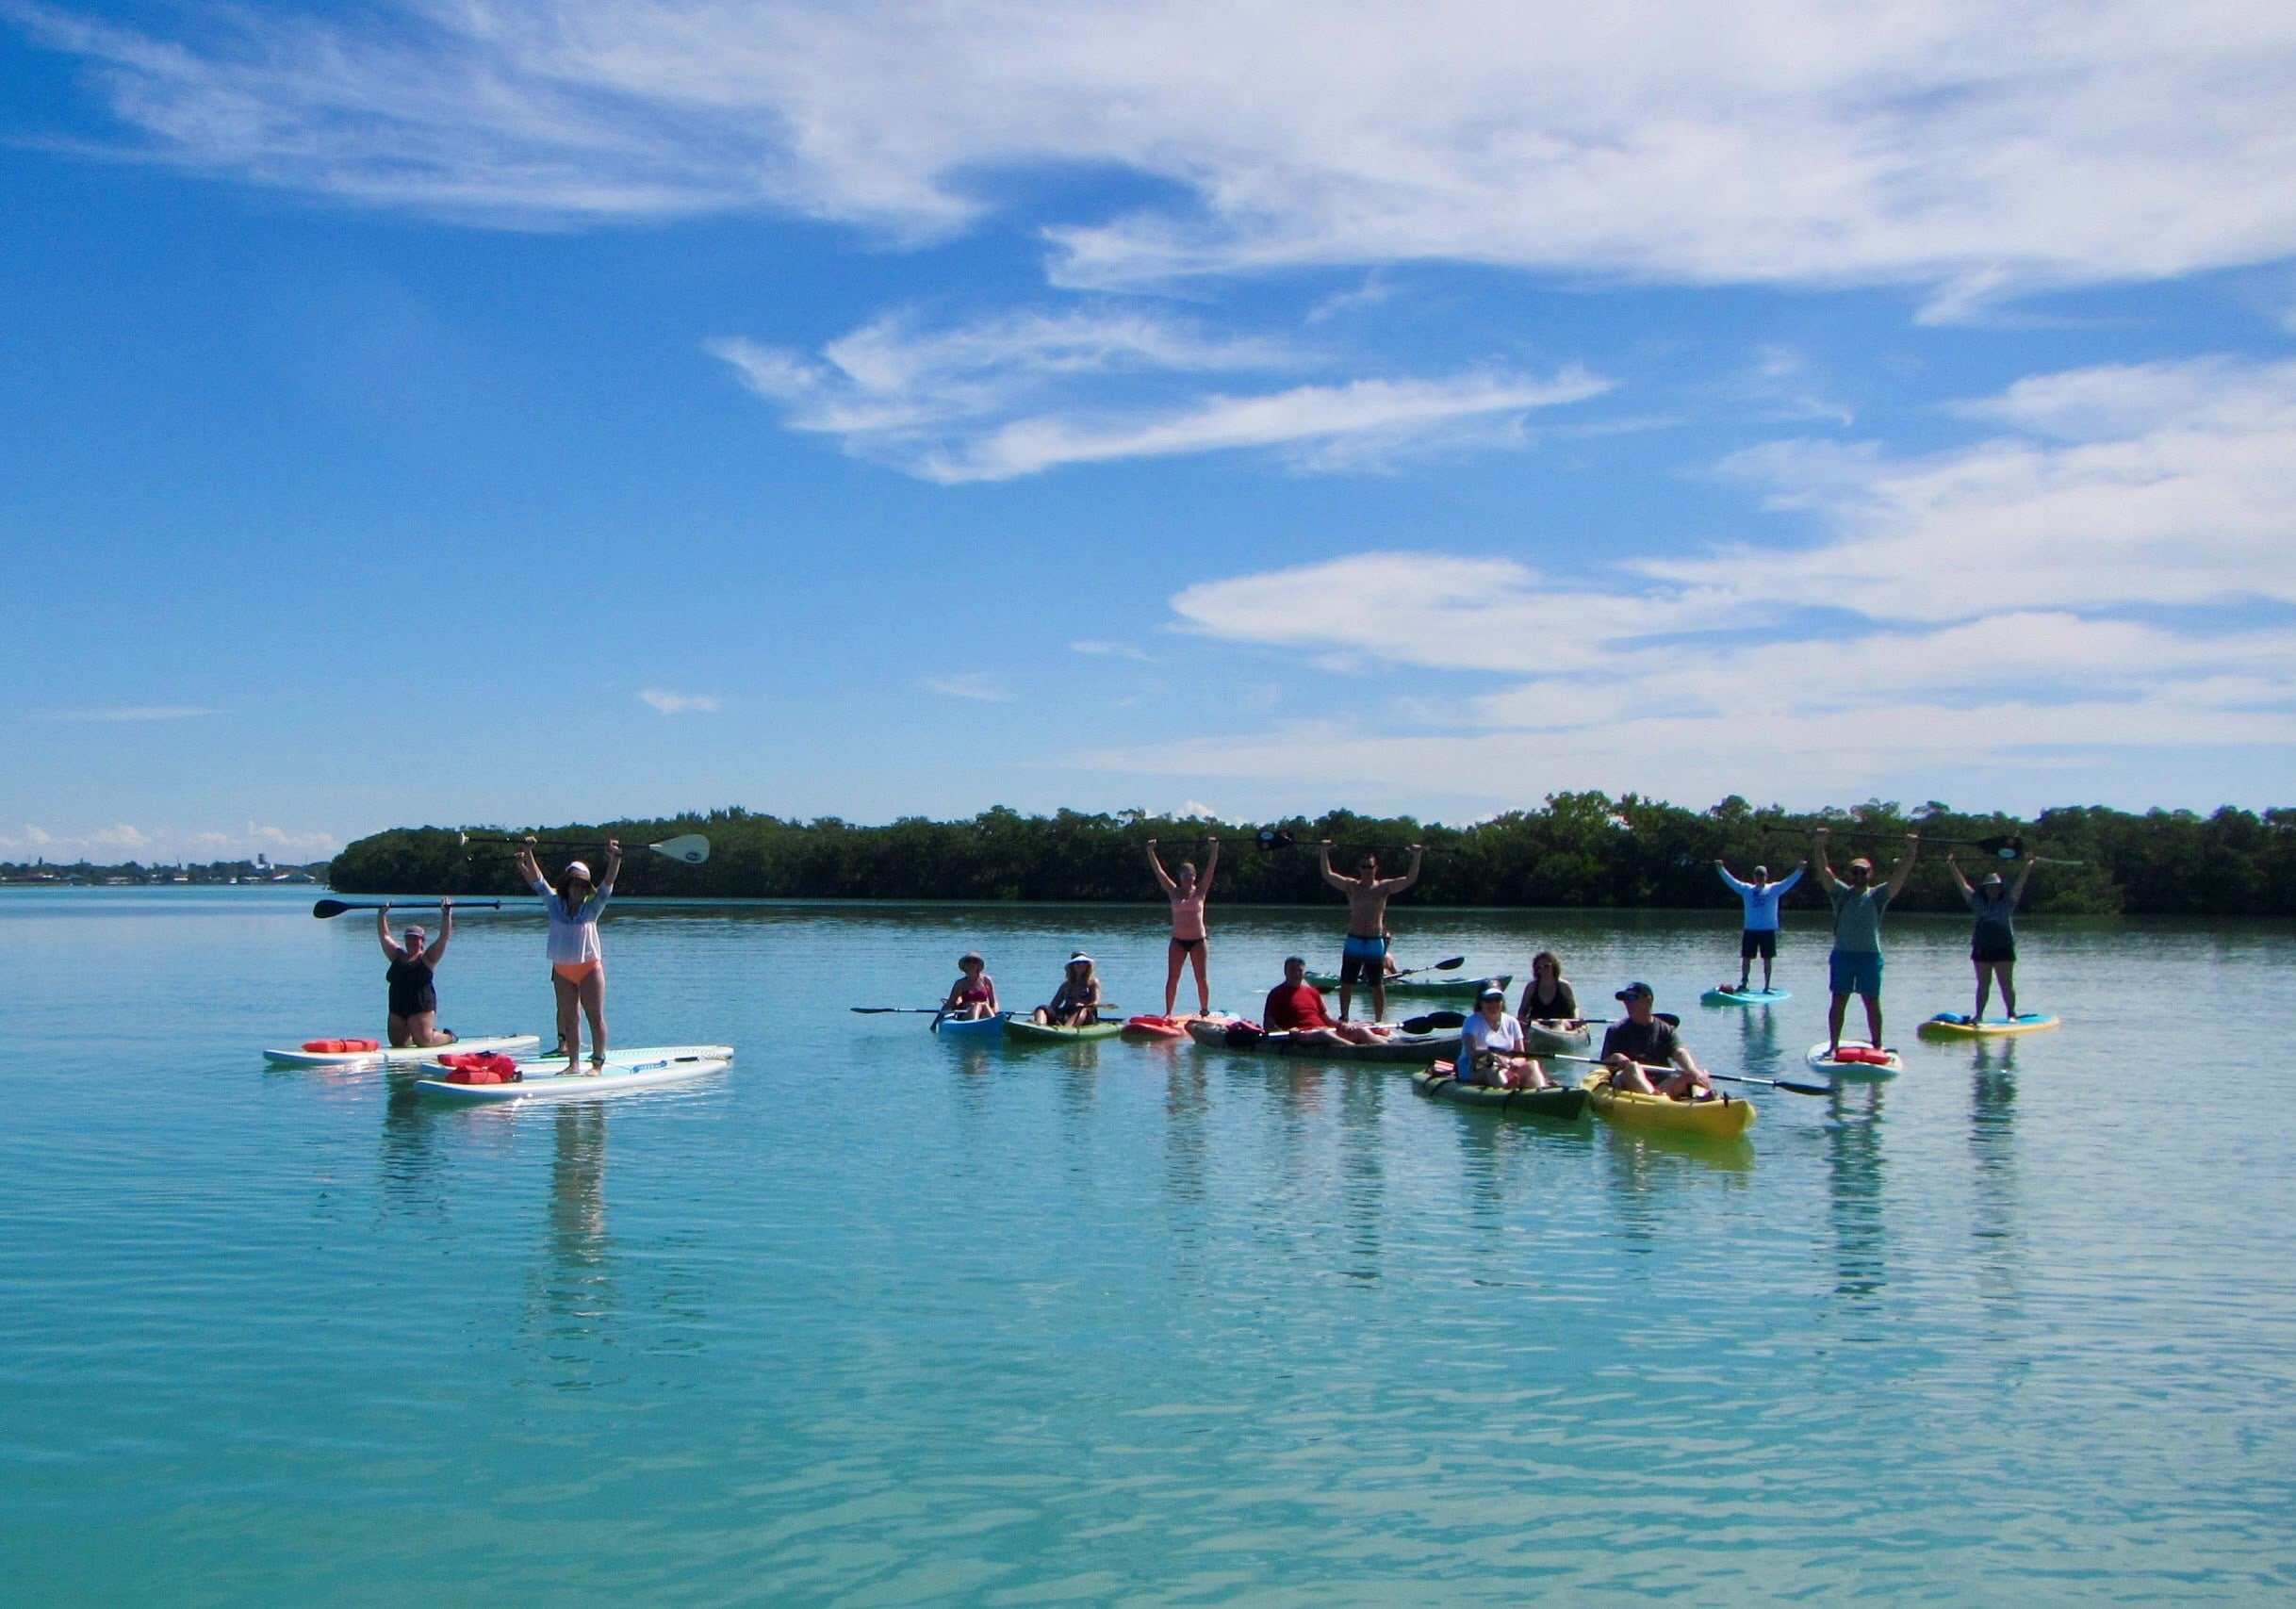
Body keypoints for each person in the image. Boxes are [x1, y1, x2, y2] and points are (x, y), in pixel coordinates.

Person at [1812, 827, 1918, 1058]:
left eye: (1864, 872)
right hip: (1843, 955)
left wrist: (1911, 852)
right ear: (1851, 874)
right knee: (1839, 1000)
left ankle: (1877, 1045)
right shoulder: (1841, 893)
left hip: (1870, 957)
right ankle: (1833, 1045)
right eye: (1855, 872)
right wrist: (1819, 844)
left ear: (1870, 874)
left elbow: (1899, 876)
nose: (1859, 876)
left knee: (1872, 1001)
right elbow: (1824, 871)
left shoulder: (1878, 895)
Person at [515, 838, 620, 1071]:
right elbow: (537, 879)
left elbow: (608, 883)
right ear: (567, 887)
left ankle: (597, 1064)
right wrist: (528, 852)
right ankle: (573, 1064)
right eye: (576, 886)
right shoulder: (554, 904)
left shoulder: (593, 907)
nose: (580, 890)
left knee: (595, 1016)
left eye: (584, 887)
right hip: (563, 971)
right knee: (570, 1019)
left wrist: (615, 857)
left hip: (589, 968)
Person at [1319, 840, 1424, 1023]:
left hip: (1375, 941)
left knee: (1377, 984)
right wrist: (1323, 851)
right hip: (1354, 940)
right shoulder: (1352, 886)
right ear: (1359, 868)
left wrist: (1417, 856)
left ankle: (1378, 1021)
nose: (1367, 870)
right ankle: (1344, 1018)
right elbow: (1327, 874)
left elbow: (1410, 880)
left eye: (1370, 866)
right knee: (1346, 983)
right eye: (1364, 866)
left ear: (1376, 868)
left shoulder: (1384, 887)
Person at [1947, 853, 2037, 1021]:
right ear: (1985, 889)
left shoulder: (2007, 902)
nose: (1992, 890)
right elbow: (1962, 885)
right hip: (1982, 948)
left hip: (2003, 948)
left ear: (2000, 889)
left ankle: (2011, 1013)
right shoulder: (1977, 901)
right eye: (1989, 887)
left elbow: (2019, 885)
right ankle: (1979, 1016)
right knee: (1983, 985)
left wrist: (2028, 865)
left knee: (2005, 984)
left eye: (1995, 887)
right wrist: (1952, 865)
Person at [1599, 981, 1714, 1098]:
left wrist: (1693, 1070)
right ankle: (1653, 1099)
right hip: (1628, 1082)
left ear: (1648, 1000)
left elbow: (1679, 1052)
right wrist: (1617, 1058)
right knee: (1632, 1067)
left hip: (1661, 1085)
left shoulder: (1665, 1029)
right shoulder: (1616, 1030)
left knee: (1694, 1073)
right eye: (1625, 999)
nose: (1627, 1003)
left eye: (1632, 998)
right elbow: (1606, 1061)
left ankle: (1704, 1100)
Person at [1146, 836, 1219, 1017]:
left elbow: (1211, 869)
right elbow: (1159, 872)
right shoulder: (1173, 891)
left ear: (1195, 877)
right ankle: (1168, 1013)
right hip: (1178, 940)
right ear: (1179, 877)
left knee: (1200, 977)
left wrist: (1214, 849)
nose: (1188, 878)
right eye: (1184, 875)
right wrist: (1150, 851)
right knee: (1172, 978)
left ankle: (1204, 1010)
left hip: (1198, 941)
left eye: (1191, 875)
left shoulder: (1200, 891)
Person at [1713, 857, 1805, 993]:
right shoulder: (1746, 889)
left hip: (1767, 930)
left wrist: (1800, 870)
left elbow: (1789, 882)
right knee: (1746, 958)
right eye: (1757, 875)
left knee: (1767, 959)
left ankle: (1767, 986)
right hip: (1750, 929)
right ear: (1754, 876)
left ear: (1766, 877)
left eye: (1762, 875)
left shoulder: (1774, 889)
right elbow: (1731, 881)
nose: (1759, 877)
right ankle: (1744, 984)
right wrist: (1721, 869)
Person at [377, 899, 456, 1048]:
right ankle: (418, 1033)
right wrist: (382, 915)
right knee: (398, 1043)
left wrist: (446, 914)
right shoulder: (397, 956)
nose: (412, 941)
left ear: (422, 940)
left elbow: (444, 937)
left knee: (425, 1042)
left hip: (420, 1005)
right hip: (397, 1006)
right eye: (409, 938)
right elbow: (385, 936)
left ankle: (449, 1037)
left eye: (416, 938)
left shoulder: (428, 957)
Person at [1261, 956, 1389, 1047]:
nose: (1296, 974)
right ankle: (1355, 1049)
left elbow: (1328, 1019)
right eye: (1292, 970)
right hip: (1302, 1035)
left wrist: (1342, 1024)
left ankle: (1389, 1048)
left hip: (1323, 1029)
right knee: (1323, 1034)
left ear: (1304, 972)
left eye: (1299, 970)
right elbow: (1268, 1026)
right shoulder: (1276, 994)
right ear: (1285, 972)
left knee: (1361, 1030)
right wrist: (1290, 1030)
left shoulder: (1312, 991)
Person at [1456, 985, 1552, 1089]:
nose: (1493, 1004)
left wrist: (1514, 1062)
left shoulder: (1512, 1022)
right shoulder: (1471, 1022)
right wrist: (1492, 1055)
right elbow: (1471, 1052)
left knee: (1532, 1064)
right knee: (1491, 1065)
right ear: (1480, 1002)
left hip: (1506, 1066)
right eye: (1488, 1000)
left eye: (1497, 999)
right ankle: (1505, 1089)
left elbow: (1520, 1053)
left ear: (1502, 1001)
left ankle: (1541, 1090)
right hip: (1476, 1068)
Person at [1515, 949, 1581, 1031]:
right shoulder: (1531, 987)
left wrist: (1577, 1020)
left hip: (1562, 1024)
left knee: (1559, 1024)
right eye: (1539, 967)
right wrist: (1523, 1022)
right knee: (1535, 1024)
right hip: (1537, 1026)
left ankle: (1555, 1035)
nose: (1543, 970)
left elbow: (1574, 1009)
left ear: (1553, 966)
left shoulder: (1564, 986)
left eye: (1546, 966)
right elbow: (1522, 1011)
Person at [1034, 952, 1104, 1026]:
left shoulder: (1093, 983)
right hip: (1067, 1013)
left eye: (1084, 962)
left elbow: (1096, 1002)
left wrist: (1084, 1004)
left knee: (1083, 1010)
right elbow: (1054, 1005)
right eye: (1077, 962)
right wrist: (1045, 1011)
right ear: (1072, 965)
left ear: (1088, 965)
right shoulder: (1066, 985)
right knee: (1042, 1008)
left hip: (1087, 1016)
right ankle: (1040, 1026)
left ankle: (1067, 1029)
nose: (1081, 965)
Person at [940, 952, 999, 1020]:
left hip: (984, 1013)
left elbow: (994, 1002)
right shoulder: (960, 983)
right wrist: (938, 1021)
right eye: (968, 961)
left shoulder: (986, 980)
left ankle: (994, 1021)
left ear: (978, 965)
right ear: (964, 965)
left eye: (974, 961)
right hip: (966, 1013)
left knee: (983, 1005)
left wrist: (995, 1010)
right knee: (977, 1005)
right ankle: (975, 1023)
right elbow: (950, 1003)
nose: (971, 964)